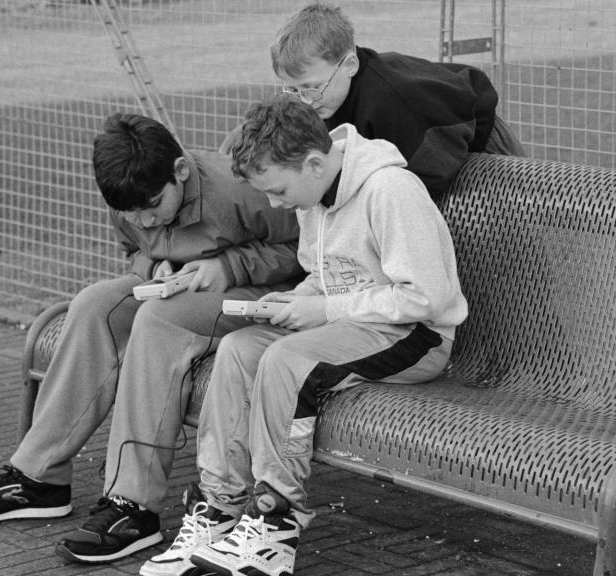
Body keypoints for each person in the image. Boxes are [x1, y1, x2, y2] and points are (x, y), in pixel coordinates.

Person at [0, 113, 302, 564]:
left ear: (181, 172)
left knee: (157, 320)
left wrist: (230, 267)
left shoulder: (238, 189)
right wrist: (154, 269)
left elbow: (305, 251)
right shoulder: (129, 195)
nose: (143, 217)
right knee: (94, 302)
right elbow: (136, 252)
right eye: (131, 212)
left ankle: (132, 507)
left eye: (152, 205)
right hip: (177, 289)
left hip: (259, 297)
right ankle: (39, 476)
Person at [145, 95, 468, 576]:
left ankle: (276, 524)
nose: (275, 204)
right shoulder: (315, 193)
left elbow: (429, 298)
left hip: (416, 336)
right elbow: (326, 274)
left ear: (315, 163)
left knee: (285, 361)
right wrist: (297, 300)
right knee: (237, 349)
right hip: (351, 324)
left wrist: (323, 308)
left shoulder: (389, 190)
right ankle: (221, 509)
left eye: (276, 190)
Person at [222, 1, 524, 202]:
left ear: (350, 65)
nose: (304, 100)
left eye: (310, 88)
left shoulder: (391, 104)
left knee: (498, 231)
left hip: (472, 138)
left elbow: (424, 181)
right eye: (293, 90)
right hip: (423, 140)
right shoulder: (326, 92)